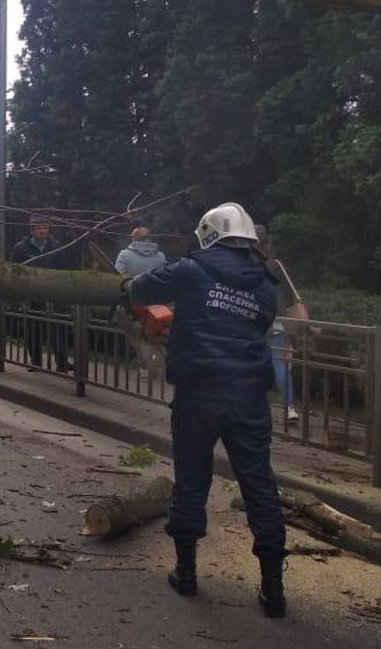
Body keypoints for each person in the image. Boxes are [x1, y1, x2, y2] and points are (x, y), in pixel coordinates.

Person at [127, 202, 287, 618]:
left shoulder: (190, 269)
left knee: (192, 481)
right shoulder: (266, 284)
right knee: (260, 488)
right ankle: (273, 590)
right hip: (249, 398)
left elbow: (142, 289)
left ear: (209, 234)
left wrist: (126, 289)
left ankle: (186, 572)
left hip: (199, 393)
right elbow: (260, 324)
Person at [256, 226, 308, 424]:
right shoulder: (276, 264)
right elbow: (287, 294)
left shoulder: (244, 263)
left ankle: (254, 405)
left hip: (251, 321)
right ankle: (290, 408)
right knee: (279, 364)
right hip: (276, 320)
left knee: (249, 362)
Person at [10, 222, 71, 372]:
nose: (43, 231)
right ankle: (35, 362)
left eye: (45, 228)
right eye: (39, 228)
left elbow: (63, 268)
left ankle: (62, 362)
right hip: (32, 294)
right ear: (31, 230)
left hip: (53, 293)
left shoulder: (56, 246)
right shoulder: (21, 248)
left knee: (58, 328)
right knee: (33, 328)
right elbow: (15, 270)